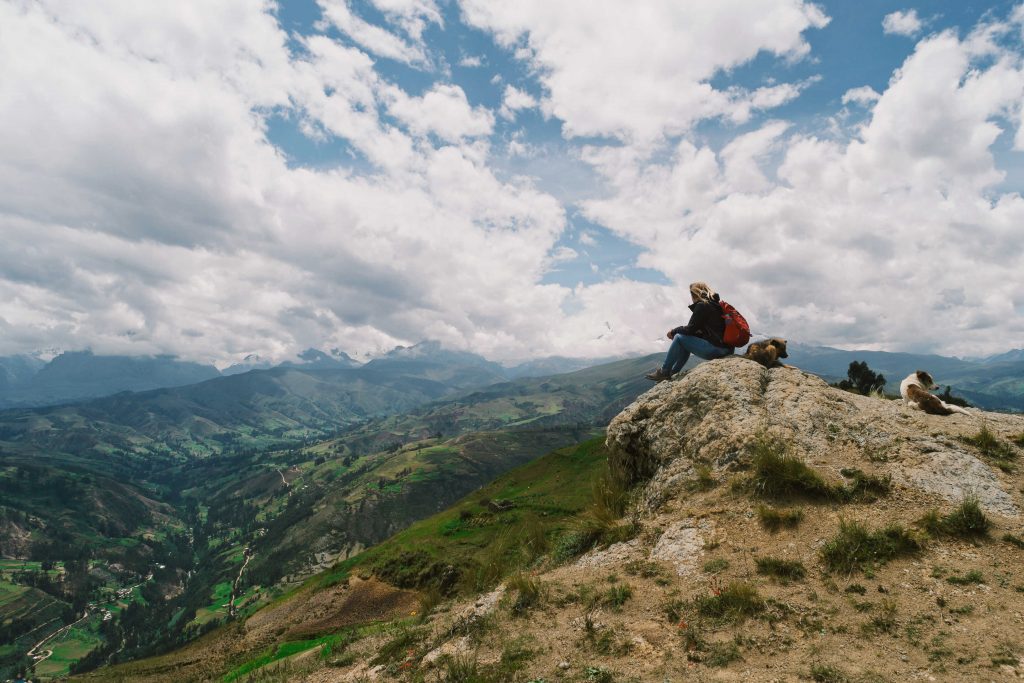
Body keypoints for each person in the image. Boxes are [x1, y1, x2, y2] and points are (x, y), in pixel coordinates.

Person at [646, 281, 734, 381]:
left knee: (679, 337)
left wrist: (673, 332)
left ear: (694, 294)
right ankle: (673, 373)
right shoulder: (716, 305)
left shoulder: (702, 305)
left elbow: (690, 329)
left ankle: (664, 371)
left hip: (717, 349)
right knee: (684, 340)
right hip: (727, 349)